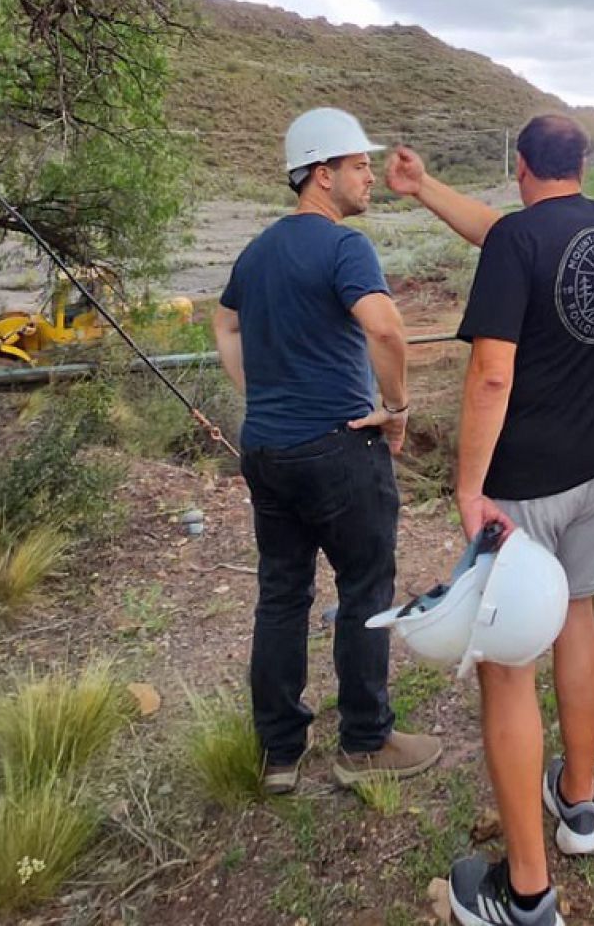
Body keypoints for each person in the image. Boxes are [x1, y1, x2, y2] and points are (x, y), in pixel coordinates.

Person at [386, 115, 594, 926]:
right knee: (581, 619)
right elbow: (501, 230)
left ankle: (526, 894)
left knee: (507, 666)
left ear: (519, 166)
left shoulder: (516, 243)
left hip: (523, 483)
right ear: (580, 165)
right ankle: (580, 805)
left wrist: (466, 486)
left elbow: (492, 374)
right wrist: (422, 192)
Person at [212, 107, 443, 795]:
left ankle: (280, 752)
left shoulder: (256, 252)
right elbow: (388, 331)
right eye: (359, 165)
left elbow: (225, 324)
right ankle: (366, 743)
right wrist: (396, 411)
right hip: (341, 448)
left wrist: (261, 392)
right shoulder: (346, 248)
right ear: (322, 173)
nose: (370, 176)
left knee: (281, 594)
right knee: (365, 587)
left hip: (267, 449)